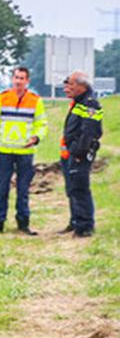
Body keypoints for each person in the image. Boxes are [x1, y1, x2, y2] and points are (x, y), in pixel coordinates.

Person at [0, 65, 48, 235]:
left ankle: (23, 224)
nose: (18, 81)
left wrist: (36, 137)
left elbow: (42, 124)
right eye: (16, 77)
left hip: (25, 153)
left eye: (22, 78)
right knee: (1, 190)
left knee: (23, 190)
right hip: (4, 152)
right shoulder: (1, 98)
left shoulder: (36, 100)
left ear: (27, 81)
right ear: (12, 79)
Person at [58, 69, 103, 237]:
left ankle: (84, 227)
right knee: (73, 188)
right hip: (73, 153)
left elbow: (89, 132)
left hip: (80, 154)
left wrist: (78, 152)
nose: (67, 86)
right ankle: (76, 221)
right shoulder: (79, 102)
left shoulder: (89, 103)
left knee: (80, 188)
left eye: (70, 83)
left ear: (81, 86)